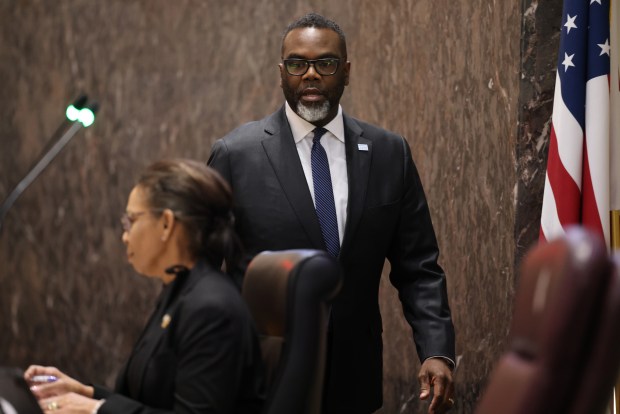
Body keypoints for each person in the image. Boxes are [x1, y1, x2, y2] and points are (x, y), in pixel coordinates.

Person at [207, 12, 456, 414]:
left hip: (352, 382)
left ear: (346, 71)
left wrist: (437, 351)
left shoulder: (389, 154)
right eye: (296, 64)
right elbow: (203, 271)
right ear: (281, 71)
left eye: (325, 63)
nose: (309, 75)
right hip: (261, 381)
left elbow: (419, 267)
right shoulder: (236, 155)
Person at [25, 159, 265, 414]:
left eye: (131, 220)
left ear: (166, 224)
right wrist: (85, 392)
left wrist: (94, 409)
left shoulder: (212, 308)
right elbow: (149, 400)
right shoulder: (179, 290)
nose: (124, 235)